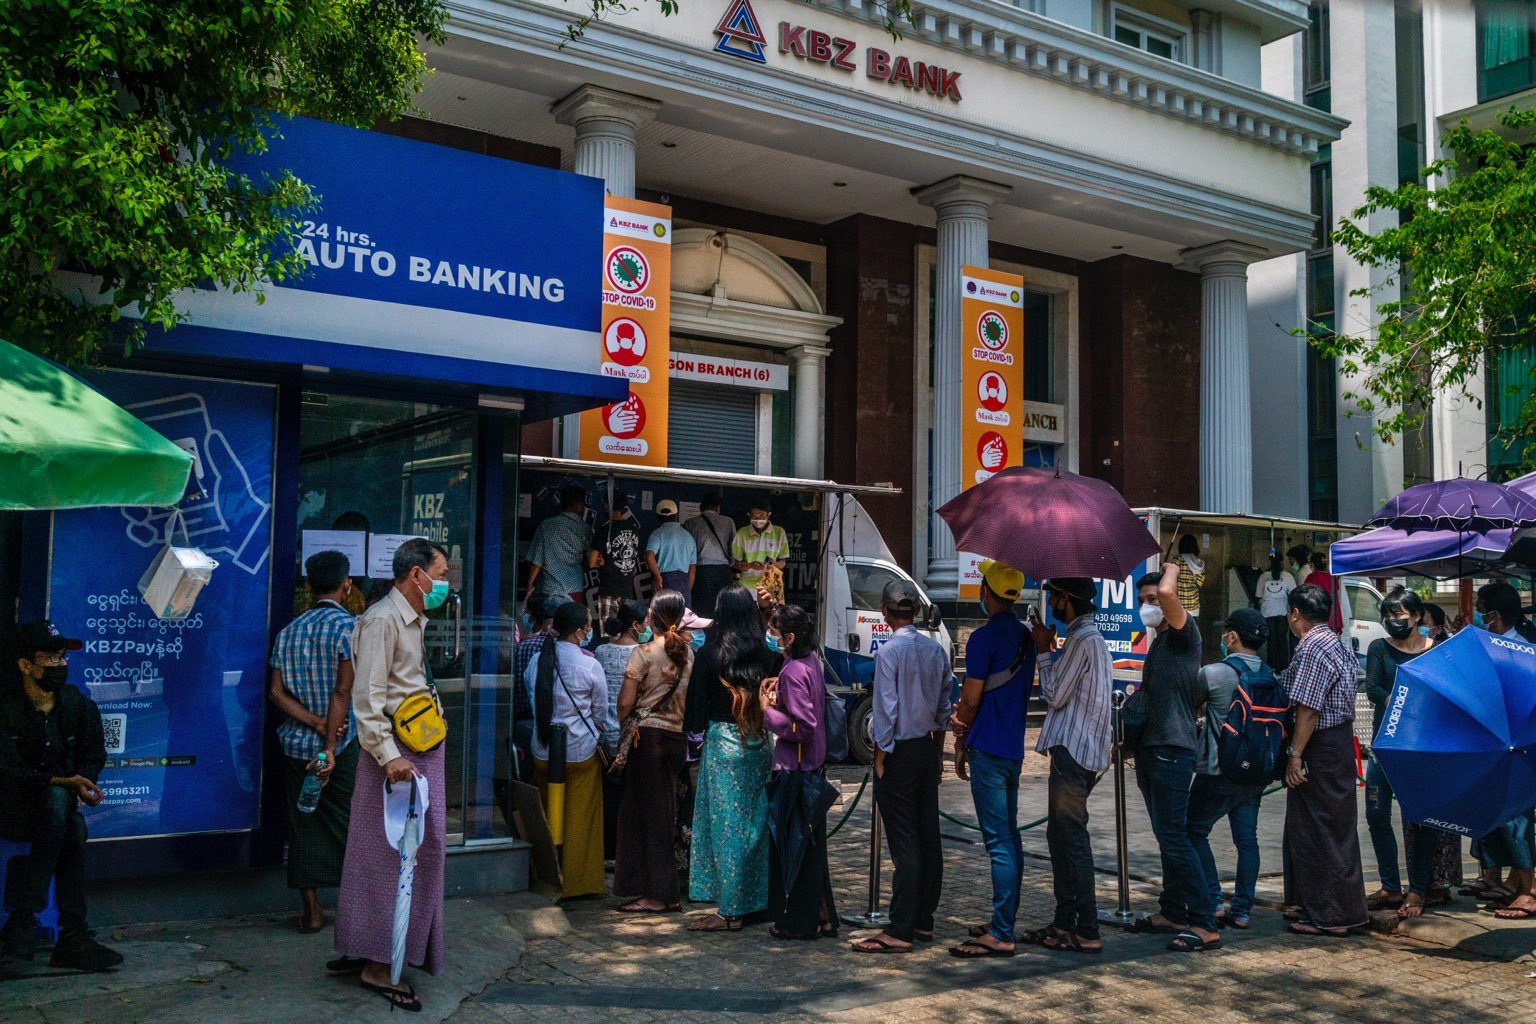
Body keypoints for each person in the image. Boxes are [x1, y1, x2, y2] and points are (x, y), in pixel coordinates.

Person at [334, 538, 451, 1011]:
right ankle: (379, 964)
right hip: (398, 757)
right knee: (398, 856)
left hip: (415, 748)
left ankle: (371, 946)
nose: (444, 583)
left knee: (401, 853)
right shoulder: (383, 619)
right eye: (440, 573)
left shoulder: (410, 618)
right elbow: (368, 697)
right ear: (416, 574)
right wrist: (388, 757)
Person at [0, 621, 122, 971]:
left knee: (63, 812)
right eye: (50, 658)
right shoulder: (7, 710)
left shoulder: (76, 706)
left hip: (58, 811)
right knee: (69, 822)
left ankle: (23, 920)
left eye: (62, 657)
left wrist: (83, 783)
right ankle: (73, 937)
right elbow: (7, 771)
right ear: (26, 665)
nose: (59, 665)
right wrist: (61, 781)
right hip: (14, 810)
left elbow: (93, 755)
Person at [851, 579, 952, 954]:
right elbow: (944, 707)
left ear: (885, 611)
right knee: (928, 835)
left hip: (900, 752)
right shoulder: (935, 650)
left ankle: (901, 927)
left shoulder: (890, 651)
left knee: (905, 841)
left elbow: (886, 709)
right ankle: (923, 918)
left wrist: (880, 756)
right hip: (925, 748)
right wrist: (938, 751)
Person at [1016, 577, 1112, 955]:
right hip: (1078, 750)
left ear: (1068, 600)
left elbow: (1053, 695)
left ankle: (1086, 929)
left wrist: (1043, 650)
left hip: (1074, 752)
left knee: (1071, 839)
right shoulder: (1087, 638)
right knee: (1059, 838)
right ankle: (1064, 921)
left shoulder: (1083, 640)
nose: (1052, 601)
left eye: (1055, 595)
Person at [1130, 563, 1220, 952]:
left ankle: (1204, 922)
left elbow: (1169, 595)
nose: (1148, 606)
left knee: (1175, 837)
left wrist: (1169, 567)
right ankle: (1173, 910)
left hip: (1173, 748)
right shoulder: (1159, 642)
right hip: (1151, 748)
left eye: (1152, 599)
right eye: (1142, 601)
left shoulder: (1187, 636)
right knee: (1166, 835)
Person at [268, 550, 358, 935]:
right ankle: (355, 907)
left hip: (296, 747)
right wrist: (331, 744)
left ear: (308, 586)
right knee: (350, 824)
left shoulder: (287, 632)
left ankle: (312, 911)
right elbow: (343, 692)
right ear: (347, 585)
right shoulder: (351, 630)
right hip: (342, 747)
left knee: (303, 824)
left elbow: (276, 693)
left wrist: (313, 723)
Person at [947, 561, 1031, 959]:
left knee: (997, 843)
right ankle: (1004, 921)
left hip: (987, 748)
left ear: (986, 592)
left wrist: (959, 734)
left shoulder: (981, 640)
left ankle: (1001, 931)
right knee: (1010, 839)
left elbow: (970, 699)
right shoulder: (1028, 639)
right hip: (1013, 748)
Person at [1279, 582, 1369, 938]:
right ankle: (1325, 905)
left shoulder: (1313, 648)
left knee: (1319, 829)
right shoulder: (1337, 644)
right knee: (1332, 826)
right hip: (1339, 744)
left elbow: (1308, 710)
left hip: (1321, 745)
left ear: (1296, 614)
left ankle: (1332, 914)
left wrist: (1294, 755)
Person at [685, 586, 777, 932]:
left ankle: (729, 909)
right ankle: (754, 899)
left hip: (723, 744)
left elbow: (694, 710)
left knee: (726, 828)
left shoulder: (710, 654)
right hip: (759, 740)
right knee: (755, 825)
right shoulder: (765, 654)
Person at [1186, 608, 1273, 930]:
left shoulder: (1214, 674)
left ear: (1233, 636)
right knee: (1247, 841)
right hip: (1256, 771)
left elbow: (1190, 703)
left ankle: (1211, 901)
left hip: (1219, 770)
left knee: (1193, 831)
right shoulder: (1270, 675)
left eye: (1226, 633)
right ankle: (1242, 910)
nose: (1223, 638)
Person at [612, 592, 694, 914]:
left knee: (645, 818)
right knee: (666, 815)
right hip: (676, 739)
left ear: (653, 617)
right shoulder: (689, 655)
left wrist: (625, 724)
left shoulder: (643, 653)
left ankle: (657, 895)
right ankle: (663, 890)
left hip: (646, 741)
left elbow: (624, 704)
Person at [762, 603, 839, 940]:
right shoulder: (808, 663)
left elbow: (803, 725)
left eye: (776, 633)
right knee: (810, 850)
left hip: (795, 767)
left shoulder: (794, 670)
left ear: (790, 636)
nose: (772, 638)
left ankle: (798, 921)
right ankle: (821, 916)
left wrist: (767, 711)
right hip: (811, 765)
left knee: (795, 851)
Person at [525, 602, 608, 900]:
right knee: (582, 819)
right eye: (588, 625)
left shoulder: (536, 661)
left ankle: (547, 876)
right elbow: (600, 713)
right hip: (581, 753)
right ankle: (577, 882)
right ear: (580, 632)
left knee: (546, 815)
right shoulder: (590, 665)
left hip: (543, 750)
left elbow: (534, 703)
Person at [1359, 588, 1434, 914]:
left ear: (1417, 616)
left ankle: (1418, 891)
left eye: (1399, 615)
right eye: (1387, 616)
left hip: (1420, 749)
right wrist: (1394, 700)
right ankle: (1390, 887)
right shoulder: (1379, 648)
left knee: (1419, 819)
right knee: (1376, 815)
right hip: (1383, 747)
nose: (1392, 621)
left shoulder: (1435, 650)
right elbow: (1372, 687)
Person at [1471, 582, 1536, 920]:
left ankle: (1528, 892)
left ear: (1493, 615)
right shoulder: (1492, 646)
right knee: (1501, 819)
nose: (1479, 613)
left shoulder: (1520, 652)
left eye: (1481, 607)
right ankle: (1513, 884)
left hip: (1519, 750)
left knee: (1517, 822)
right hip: (1497, 747)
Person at [594, 599, 647, 861]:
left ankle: (606, 850)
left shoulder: (601, 651)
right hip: (630, 737)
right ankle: (624, 852)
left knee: (607, 796)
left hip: (603, 736)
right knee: (630, 798)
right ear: (636, 625)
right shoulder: (644, 654)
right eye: (645, 621)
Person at [527, 486, 592, 602]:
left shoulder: (545, 526)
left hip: (550, 590)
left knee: (551, 620)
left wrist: (529, 585)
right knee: (572, 619)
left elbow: (537, 561)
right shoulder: (585, 529)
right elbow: (592, 559)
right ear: (578, 504)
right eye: (583, 504)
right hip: (575, 589)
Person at [589, 492, 642, 624]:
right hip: (628, 589)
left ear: (607, 506)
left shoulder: (604, 530)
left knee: (610, 633)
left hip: (609, 589)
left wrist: (602, 563)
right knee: (626, 631)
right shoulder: (633, 529)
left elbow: (591, 563)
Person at [684, 493, 736, 615]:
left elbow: (687, 550)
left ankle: (703, 633)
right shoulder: (728, 522)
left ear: (701, 507)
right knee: (723, 606)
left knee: (701, 607)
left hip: (700, 571)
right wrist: (731, 564)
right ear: (717, 508)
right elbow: (734, 547)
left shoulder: (690, 523)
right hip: (722, 571)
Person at [731, 501, 790, 597]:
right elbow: (735, 563)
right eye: (755, 516)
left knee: (772, 612)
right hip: (747, 587)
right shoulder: (742, 533)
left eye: (762, 515)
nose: (758, 519)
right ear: (749, 515)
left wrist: (773, 563)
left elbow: (782, 563)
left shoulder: (779, 532)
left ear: (769, 515)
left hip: (772, 586)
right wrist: (750, 565)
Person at [645, 500, 697, 606]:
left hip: (665, 581)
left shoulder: (657, 534)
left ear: (658, 517)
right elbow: (692, 569)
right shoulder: (688, 536)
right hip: (684, 582)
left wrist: (657, 578)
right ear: (677, 515)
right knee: (682, 619)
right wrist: (687, 588)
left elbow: (649, 556)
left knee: (664, 618)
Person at [1257, 555, 1298, 671]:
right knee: (1282, 640)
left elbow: (1258, 596)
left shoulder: (1263, 576)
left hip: (1267, 612)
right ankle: (1284, 667)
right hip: (1283, 612)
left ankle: (1272, 667)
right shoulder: (1288, 576)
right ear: (1282, 562)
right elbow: (1293, 594)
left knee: (1271, 641)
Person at [1303, 552, 1342, 633]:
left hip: (1317, 619)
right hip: (1333, 618)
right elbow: (1336, 597)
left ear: (1313, 564)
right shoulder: (1332, 577)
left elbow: (1306, 598)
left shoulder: (1311, 577)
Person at [1175, 534, 1205, 617]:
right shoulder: (1200, 563)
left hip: (1179, 605)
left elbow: (1170, 576)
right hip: (1194, 605)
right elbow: (1200, 583)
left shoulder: (1179, 559)